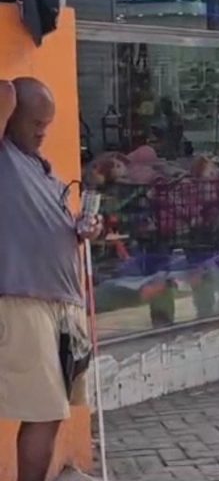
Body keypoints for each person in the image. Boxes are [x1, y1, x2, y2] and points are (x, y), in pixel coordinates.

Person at [0, 78, 102, 481]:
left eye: (48, 122)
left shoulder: (41, 168)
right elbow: (4, 90)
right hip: (24, 301)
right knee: (43, 411)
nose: (43, 131)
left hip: (62, 303)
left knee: (55, 411)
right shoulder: (4, 154)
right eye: (34, 121)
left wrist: (81, 229)